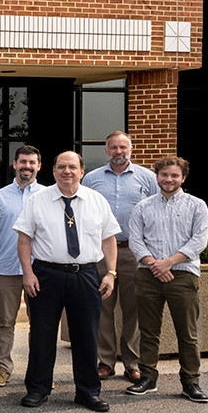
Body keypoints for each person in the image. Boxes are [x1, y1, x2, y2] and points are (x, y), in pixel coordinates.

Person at [14, 151, 120, 413]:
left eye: (72, 167)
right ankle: (38, 389)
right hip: (46, 275)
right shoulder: (38, 200)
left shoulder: (96, 200)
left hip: (85, 275)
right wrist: (28, 273)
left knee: (86, 336)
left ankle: (87, 392)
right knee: (42, 334)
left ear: (81, 171)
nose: (67, 171)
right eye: (61, 166)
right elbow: (24, 240)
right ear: (53, 170)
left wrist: (111, 273)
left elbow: (109, 240)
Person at [127, 156, 208, 403]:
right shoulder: (143, 207)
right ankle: (148, 378)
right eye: (164, 175)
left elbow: (199, 241)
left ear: (183, 178)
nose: (169, 179)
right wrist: (155, 265)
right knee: (148, 330)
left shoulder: (197, 206)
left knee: (187, 333)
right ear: (157, 177)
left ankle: (191, 382)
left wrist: (168, 263)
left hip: (183, 275)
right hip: (148, 275)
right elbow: (136, 240)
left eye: (174, 175)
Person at [83, 131, 157, 384]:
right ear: (106, 151)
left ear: (131, 150)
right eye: (113, 148)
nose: (118, 152)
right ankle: (105, 362)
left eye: (123, 147)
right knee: (103, 308)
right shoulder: (91, 180)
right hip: (100, 252)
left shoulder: (148, 178)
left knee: (132, 309)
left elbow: (158, 212)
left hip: (134, 252)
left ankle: (132, 362)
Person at [0, 145, 48, 387]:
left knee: (41, 323)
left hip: (40, 269)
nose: (27, 166)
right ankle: (2, 368)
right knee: (4, 322)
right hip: (7, 269)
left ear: (39, 166)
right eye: (23, 162)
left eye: (32, 162)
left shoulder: (48, 195)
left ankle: (40, 371)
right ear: (14, 164)